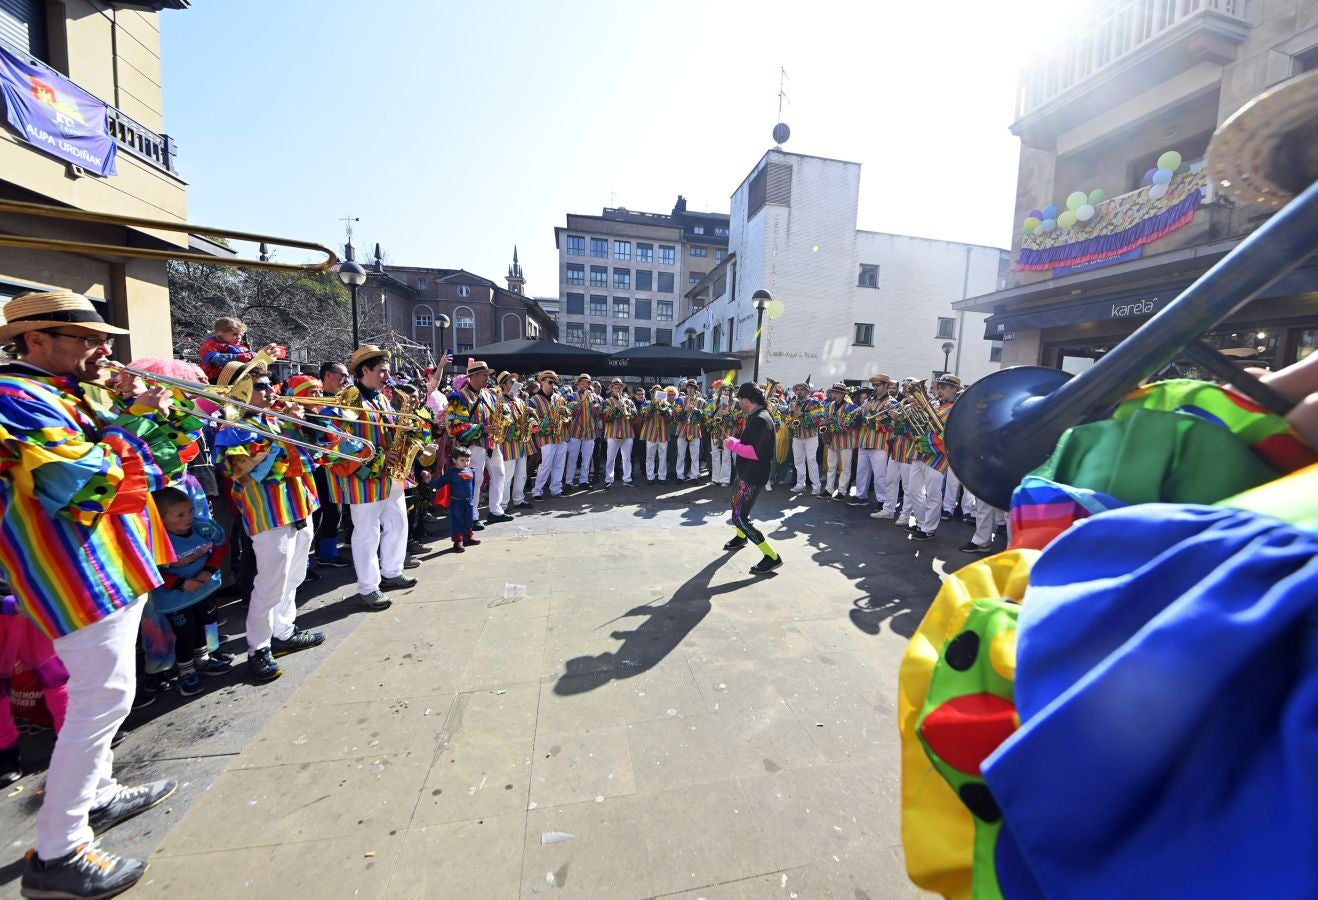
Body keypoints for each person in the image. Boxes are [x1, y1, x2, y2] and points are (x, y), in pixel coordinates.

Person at [0, 291, 193, 898]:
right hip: (76, 572)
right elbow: (83, 483)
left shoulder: (69, 391)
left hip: (113, 563)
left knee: (108, 695)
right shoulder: (13, 398)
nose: (105, 351)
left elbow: (160, 468)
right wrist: (131, 419)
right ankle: (58, 853)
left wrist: (157, 417)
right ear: (34, 340)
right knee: (100, 700)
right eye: (86, 339)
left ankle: (99, 794)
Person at [212, 363, 326, 681]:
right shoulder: (231, 425)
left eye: (269, 383)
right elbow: (240, 470)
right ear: (241, 391)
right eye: (261, 386)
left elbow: (315, 453)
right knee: (270, 585)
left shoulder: (275, 417)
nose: (271, 390)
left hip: (301, 503)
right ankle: (258, 647)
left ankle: (284, 631)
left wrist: (302, 423)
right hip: (269, 513)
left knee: (295, 575)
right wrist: (279, 439)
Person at [325, 345, 418, 612]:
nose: (387, 376)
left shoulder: (381, 397)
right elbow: (339, 438)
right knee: (367, 533)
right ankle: (368, 587)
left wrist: (405, 430)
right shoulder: (349, 397)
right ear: (364, 370)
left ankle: (392, 571)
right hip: (362, 478)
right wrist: (377, 454)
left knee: (398, 522)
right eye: (382, 371)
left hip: (389, 474)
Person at [148, 486, 230, 696]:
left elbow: (220, 545)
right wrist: (180, 584)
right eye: (180, 515)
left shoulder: (204, 528)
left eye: (190, 511)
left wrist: (207, 572)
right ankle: (186, 673)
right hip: (175, 599)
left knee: (203, 623)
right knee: (186, 633)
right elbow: (150, 571)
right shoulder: (154, 542)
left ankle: (202, 660)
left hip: (202, 590)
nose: (189, 518)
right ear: (161, 519)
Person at [722, 383, 783, 575]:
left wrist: (733, 445)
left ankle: (771, 556)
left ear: (746, 401)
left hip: (753, 475)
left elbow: (757, 452)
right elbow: (750, 444)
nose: (740, 404)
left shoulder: (761, 420)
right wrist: (735, 442)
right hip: (746, 471)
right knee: (736, 506)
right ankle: (741, 538)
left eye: (740, 401)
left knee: (739, 517)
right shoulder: (756, 416)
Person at [448, 358, 512, 525]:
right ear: (473, 376)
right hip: (474, 445)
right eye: (484, 375)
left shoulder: (489, 394)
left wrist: (504, 418)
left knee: (500, 475)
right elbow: (455, 425)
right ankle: (472, 515)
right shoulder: (460, 396)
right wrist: (482, 428)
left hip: (493, 443)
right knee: (476, 480)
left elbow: (503, 411)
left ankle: (496, 510)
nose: (487, 378)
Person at [906, 375, 960, 541]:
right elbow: (920, 426)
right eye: (938, 387)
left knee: (933, 494)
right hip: (919, 453)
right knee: (914, 491)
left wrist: (925, 440)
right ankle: (922, 523)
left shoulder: (958, 409)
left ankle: (929, 528)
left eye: (943, 388)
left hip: (938, 457)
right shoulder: (935, 405)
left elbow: (950, 435)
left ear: (954, 390)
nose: (939, 391)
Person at [496, 372, 539, 510]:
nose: (516, 385)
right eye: (511, 383)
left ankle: (519, 499)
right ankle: (503, 503)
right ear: (503, 385)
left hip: (522, 443)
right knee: (507, 476)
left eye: (516, 382)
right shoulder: (499, 401)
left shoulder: (520, 400)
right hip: (508, 444)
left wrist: (531, 416)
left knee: (522, 474)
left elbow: (527, 417)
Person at [850, 375, 893, 509]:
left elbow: (887, 424)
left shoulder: (891, 402)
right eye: (873, 385)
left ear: (886, 385)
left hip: (879, 443)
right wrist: (858, 414)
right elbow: (863, 419)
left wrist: (870, 411)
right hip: (864, 441)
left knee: (880, 474)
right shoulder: (870, 400)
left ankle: (882, 500)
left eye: (878, 385)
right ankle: (860, 495)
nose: (875, 388)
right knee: (861, 471)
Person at [528, 370, 569, 500]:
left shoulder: (559, 398)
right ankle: (537, 491)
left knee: (559, 463)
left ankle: (556, 489)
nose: (553, 385)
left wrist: (565, 412)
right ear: (542, 382)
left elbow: (568, 415)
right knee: (546, 464)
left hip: (560, 434)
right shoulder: (534, 400)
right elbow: (531, 420)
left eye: (554, 382)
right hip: (545, 436)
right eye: (550, 382)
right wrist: (544, 424)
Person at [436, 446, 481, 552]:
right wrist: (429, 481)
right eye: (462, 460)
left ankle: (468, 538)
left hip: (468, 501)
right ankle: (458, 541)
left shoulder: (471, 471)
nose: (465, 463)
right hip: (456, 502)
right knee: (457, 522)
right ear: (454, 460)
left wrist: (471, 498)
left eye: (467, 460)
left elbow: (473, 485)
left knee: (468, 520)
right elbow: (439, 484)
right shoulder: (451, 473)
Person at [822, 382, 861, 500]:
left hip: (846, 440)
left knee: (845, 467)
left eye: (837, 393)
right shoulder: (830, 405)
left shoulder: (851, 406)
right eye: (833, 392)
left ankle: (842, 491)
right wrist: (825, 423)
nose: (834, 394)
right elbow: (825, 419)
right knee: (831, 466)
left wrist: (834, 422)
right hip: (832, 440)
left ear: (843, 394)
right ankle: (828, 490)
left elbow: (851, 424)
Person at [563, 373, 600, 491]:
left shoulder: (595, 397)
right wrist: (583, 399)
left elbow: (599, 413)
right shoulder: (572, 396)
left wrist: (592, 401)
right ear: (579, 383)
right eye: (583, 382)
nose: (585, 385)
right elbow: (571, 411)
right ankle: (568, 482)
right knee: (572, 458)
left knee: (587, 459)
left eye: (588, 383)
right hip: (575, 431)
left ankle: (583, 480)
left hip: (589, 432)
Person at [787, 381, 825, 494]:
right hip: (797, 435)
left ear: (807, 391)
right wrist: (791, 413)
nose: (799, 391)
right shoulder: (794, 402)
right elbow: (790, 419)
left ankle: (816, 486)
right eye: (797, 389)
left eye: (801, 389)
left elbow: (820, 417)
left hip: (810, 436)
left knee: (811, 460)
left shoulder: (814, 402)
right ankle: (800, 484)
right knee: (798, 461)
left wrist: (803, 414)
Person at [600, 378, 637, 487]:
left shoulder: (629, 401)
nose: (617, 389)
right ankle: (608, 479)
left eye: (619, 387)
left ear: (622, 389)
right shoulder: (607, 401)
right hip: (613, 432)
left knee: (627, 458)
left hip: (627, 433)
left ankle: (627, 479)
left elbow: (635, 417)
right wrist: (616, 408)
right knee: (611, 458)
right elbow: (607, 418)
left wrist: (627, 408)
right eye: (615, 388)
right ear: (612, 389)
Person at [640, 385, 674, 484]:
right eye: (655, 392)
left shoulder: (667, 404)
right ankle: (650, 477)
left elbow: (670, 419)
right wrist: (654, 405)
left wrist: (664, 408)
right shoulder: (646, 404)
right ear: (652, 394)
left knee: (663, 457)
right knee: (650, 457)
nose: (657, 394)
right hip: (651, 433)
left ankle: (662, 477)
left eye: (659, 392)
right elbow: (645, 416)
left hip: (663, 434)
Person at [674, 379, 704, 482]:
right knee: (681, 455)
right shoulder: (679, 400)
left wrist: (697, 411)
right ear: (686, 388)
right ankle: (680, 476)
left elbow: (706, 417)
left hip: (695, 432)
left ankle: (694, 476)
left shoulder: (702, 401)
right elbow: (676, 417)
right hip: (682, 431)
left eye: (692, 388)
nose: (690, 389)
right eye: (688, 387)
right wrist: (685, 410)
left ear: (696, 389)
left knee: (695, 456)